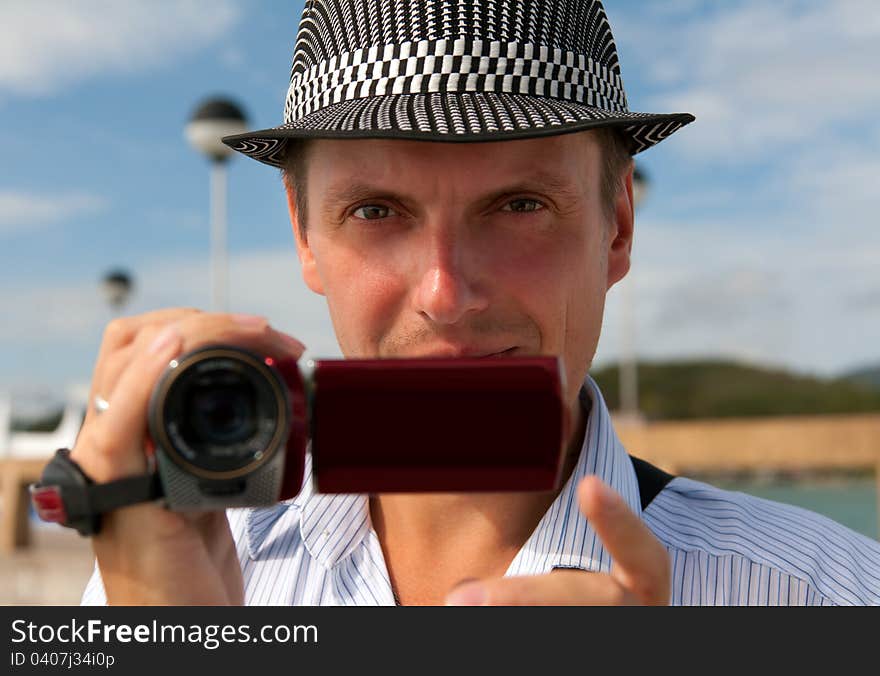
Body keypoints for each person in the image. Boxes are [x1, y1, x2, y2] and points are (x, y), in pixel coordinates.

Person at [76, 0, 880, 606]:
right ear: (305, 236)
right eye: (377, 211)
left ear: (618, 229)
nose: (446, 294)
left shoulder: (826, 595)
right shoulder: (173, 569)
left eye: (520, 205)